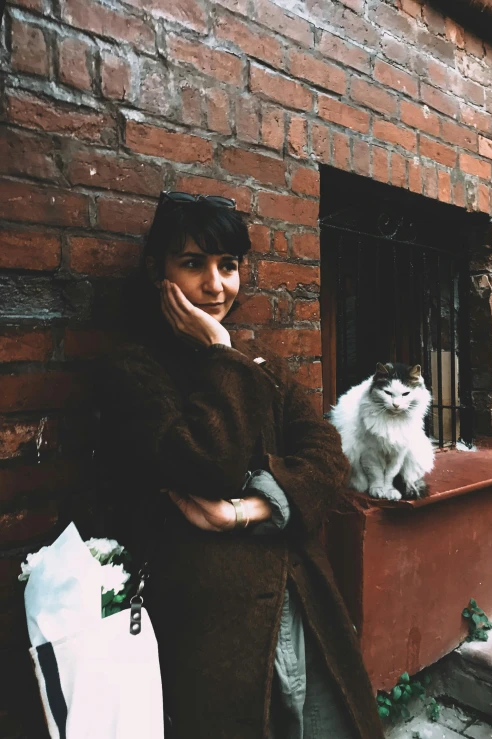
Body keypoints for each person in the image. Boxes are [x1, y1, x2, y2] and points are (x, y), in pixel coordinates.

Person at [95, 191, 385, 739]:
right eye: (192, 265)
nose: (215, 285)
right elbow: (207, 463)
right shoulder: (133, 371)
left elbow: (327, 455)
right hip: (213, 627)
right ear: (158, 270)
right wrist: (219, 352)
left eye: (227, 266)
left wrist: (248, 509)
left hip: (302, 606)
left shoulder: (260, 365)